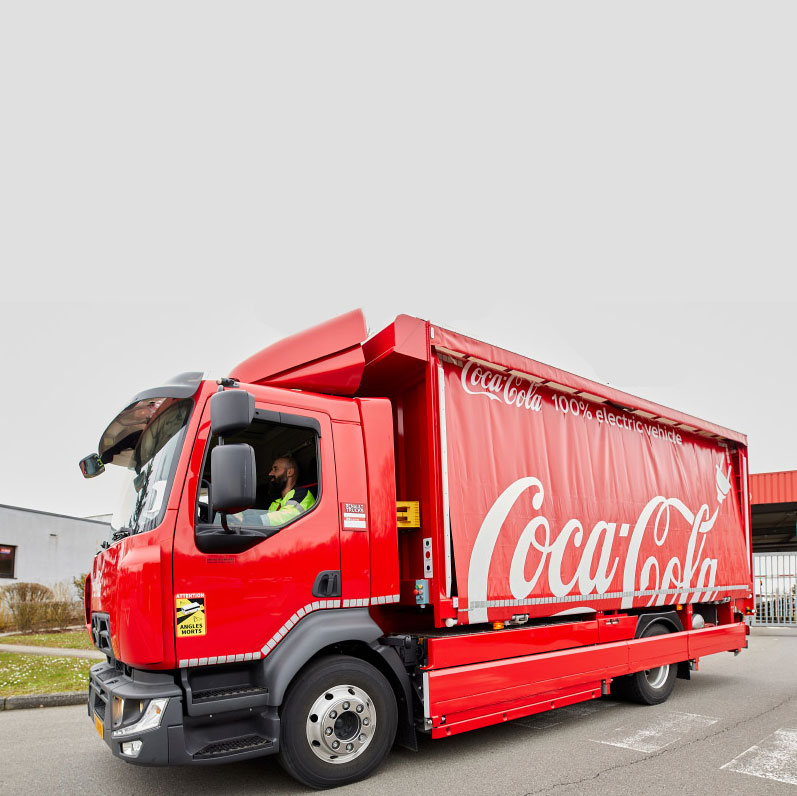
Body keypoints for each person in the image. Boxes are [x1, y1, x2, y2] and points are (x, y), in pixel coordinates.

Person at [261, 454, 316, 526]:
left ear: (290, 472)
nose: (270, 473)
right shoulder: (277, 502)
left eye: (276, 469)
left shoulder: (302, 495)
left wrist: (251, 520)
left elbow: (283, 519)